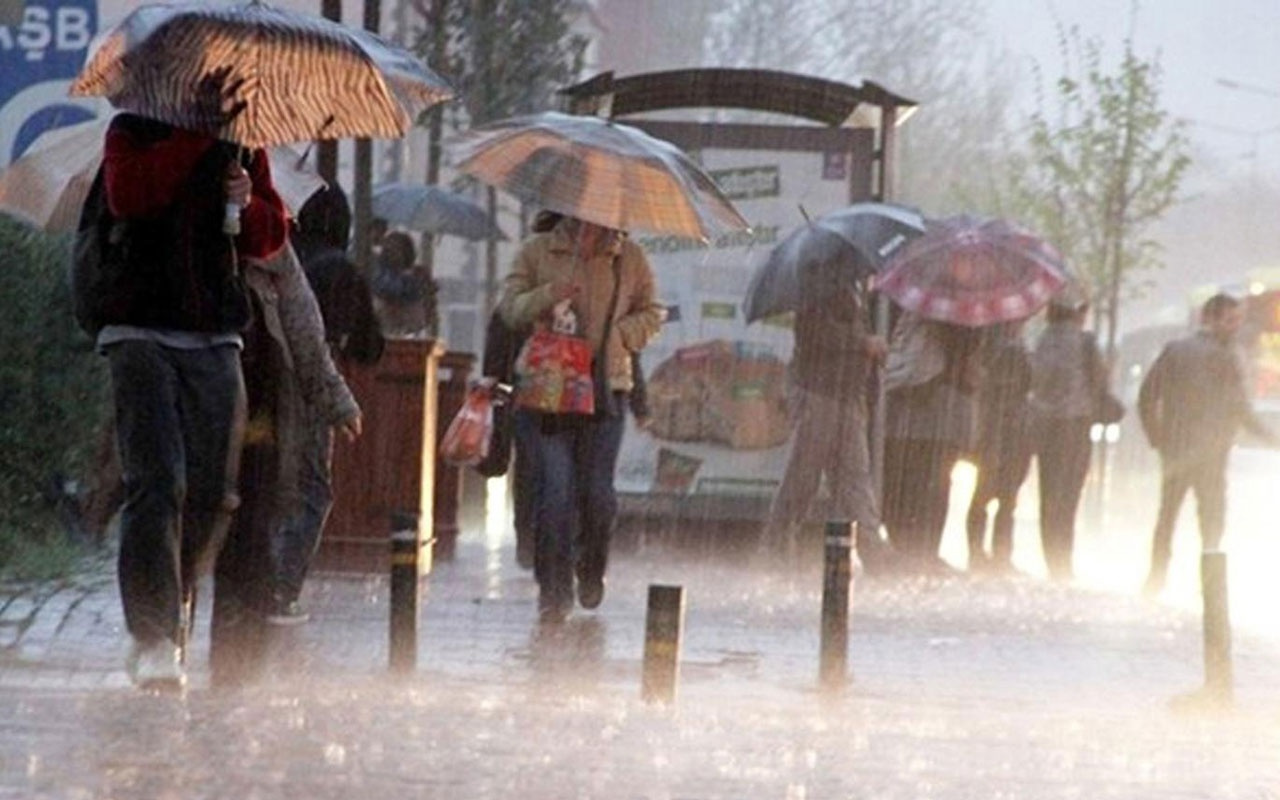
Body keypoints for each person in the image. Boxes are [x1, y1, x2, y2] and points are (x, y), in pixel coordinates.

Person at [96, 111, 287, 689]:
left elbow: (268, 236)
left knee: (213, 491)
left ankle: (169, 601)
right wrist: (195, 141)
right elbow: (131, 196)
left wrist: (247, 198)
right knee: (157, 483)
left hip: (214, 332)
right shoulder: (131, 129)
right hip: (139, 328)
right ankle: (153, 633)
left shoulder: (246, 143)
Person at [499, 214, 664, 623]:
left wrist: (622, 334)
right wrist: (547, 295)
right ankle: (553, 588)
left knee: (596, 495)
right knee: (554, 492)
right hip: (547, 393)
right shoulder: (537, 250)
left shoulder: (629, 258)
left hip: (606, 392)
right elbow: (510, 309)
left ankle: (592, 566)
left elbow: (653, 311)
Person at [266, 186, 384, 623]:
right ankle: (280, 590)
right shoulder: (339, 270)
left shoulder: (275, 253)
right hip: (311, 382)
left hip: (259, 377)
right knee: (311, 489)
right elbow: (370, 346)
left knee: (266, 481)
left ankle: (252, 579)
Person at [1137, 293, 1276, 597]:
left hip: (1176, 449)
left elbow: (1148, 395)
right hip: (1212, 453)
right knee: (1211, 520)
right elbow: (1240, 408)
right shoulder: (1227, 357)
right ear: (1211, 319)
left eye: (1238, 320)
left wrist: (1158, 438)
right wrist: (1271, 439)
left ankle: (1156, 578)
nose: (1235, 327)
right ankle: (1210, 587)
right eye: (1230, 320)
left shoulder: (1175, 351)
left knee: (1167, 515)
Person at [765, 257, 888, 565]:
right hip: (818, 394)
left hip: (847, 396)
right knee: (803, 476)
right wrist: (864, 343)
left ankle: (875, 555)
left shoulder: (853, 290)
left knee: (854, 479)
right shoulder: (816, 289)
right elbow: (818, 335)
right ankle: (776, 546)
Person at [880, 312, 983, 573]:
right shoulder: (953, 313)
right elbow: (964, 357)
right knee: (933, 484)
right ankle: (922, 552)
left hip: (904, 407)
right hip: (936, 412)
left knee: (905, 482)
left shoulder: (905, 310)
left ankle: (907, 549)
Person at [1027, 289, 1101, 582]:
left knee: (1049, 494)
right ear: (1079, 312)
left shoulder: (1042, 341)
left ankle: (1051, 560)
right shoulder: (1086, 342)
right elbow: (1099, 381)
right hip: (1075, 425)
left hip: (1045, 426)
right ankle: (1063, 562)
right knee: (1069, 496)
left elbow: (1035, 380)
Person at [965, 321, 1033, 574]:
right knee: (1004, 495)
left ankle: (978, 551)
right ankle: (998, 554)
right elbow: (1028, 382)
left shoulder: (986, 346)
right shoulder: (1012, 348)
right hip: (1008, 429)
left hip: (992, 428)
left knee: (985, 493)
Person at [371, 230, 438, 337]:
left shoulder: (416, 273)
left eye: (396, 248)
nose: (391, 252)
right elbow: (387, 288)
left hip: (409, 327)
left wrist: (426, 290)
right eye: (388, 249)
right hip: (383, 327)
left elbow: (427, 312)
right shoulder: (380, 270)